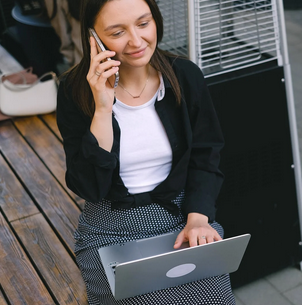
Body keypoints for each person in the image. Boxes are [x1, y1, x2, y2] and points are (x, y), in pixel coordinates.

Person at [56, 0, 235, 303]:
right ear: (94, 38)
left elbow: (207, 154)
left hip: (182, 212)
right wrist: (102, 108)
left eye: (143, 23)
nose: (137, 41)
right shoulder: (74, 91)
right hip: (110, 224)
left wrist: (198, 217)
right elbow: (89, 186)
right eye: (117, 32)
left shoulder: (185, 76)